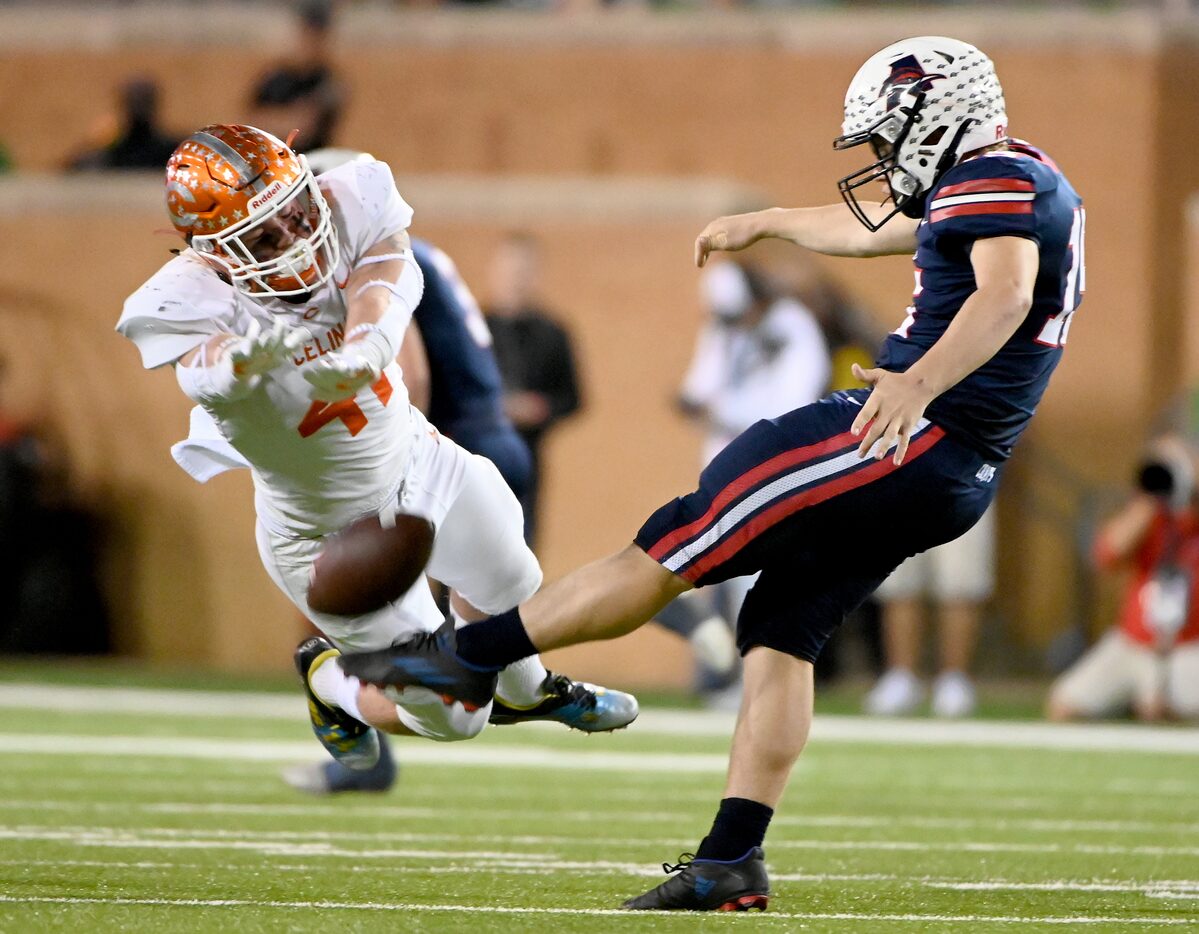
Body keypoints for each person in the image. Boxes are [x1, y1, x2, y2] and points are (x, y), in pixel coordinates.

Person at [339, 36, 1086, 912]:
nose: (883, 158)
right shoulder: (1019, 178)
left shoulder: (988, 174)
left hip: (902, 433)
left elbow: (1002, 290)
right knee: (781, 632)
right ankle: (731, 861)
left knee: (674, 541)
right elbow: (880, 229)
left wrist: (918, 383)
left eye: (890, 136)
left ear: (937, 116)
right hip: (953, 469)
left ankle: (460, 659)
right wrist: (766, 222)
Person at [116, 125, 637, 782]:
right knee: (456, 717)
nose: (294, 237)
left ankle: (527, 691)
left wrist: (366, 343)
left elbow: (388, 273)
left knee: (512, 575)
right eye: (265, 235)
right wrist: (238, 362)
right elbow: (202, 371)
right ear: (215, 256)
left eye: (295, 212)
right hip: (326, 532)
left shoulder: (352, 195)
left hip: (415, 459)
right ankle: (328, 681)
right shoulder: (187, 301)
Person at [279, 144, 537, 795]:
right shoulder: (416, 252)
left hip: (441, 455)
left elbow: (411, 374)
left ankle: (360, 745)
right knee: (479, 640)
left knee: (338, 595)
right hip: (495, 445)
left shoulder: (376, 262)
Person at [654, 259, 830, 705]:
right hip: (724, 470)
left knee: (759, 581)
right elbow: (701, 388)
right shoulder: (723, 329)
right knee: (721, 579)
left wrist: (724, 415)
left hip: (775, 471)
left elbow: (793, 407)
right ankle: (728, 679)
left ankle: (761, 682)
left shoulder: (792, 326)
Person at [1047, 436, 1199, 722]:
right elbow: (1106, 554)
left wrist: (1190, 484)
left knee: (1162, 707)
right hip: (1131, 642)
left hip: (1187, 646)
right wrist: (1150, 500)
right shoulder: (1146, 514)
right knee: (1064, 704)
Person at [483, 232, 583, 545]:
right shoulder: (471, 328)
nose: (516, 280)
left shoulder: (553, 333)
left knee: (520, 548)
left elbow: (573, 398)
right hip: (475, 460)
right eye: (510, 271)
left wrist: (541, 409)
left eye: (524, 272)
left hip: (526, 460)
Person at [863, 505, 995, 717]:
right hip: (902, 479)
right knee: (898, 576)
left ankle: (954, 679)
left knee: (959, 580)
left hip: (964, 480)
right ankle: (901, 677)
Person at [247, 0, 344, 153]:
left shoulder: (328, 84)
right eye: (306, 33)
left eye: (316, 35)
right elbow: (250, 124)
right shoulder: (275, 78)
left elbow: (301, 130)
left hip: (308, 166)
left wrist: (271, 120)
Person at [66, 77, 180, 171]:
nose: (139, 106)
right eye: (135, 101)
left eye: (143, 101)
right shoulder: (105, 156)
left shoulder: (174, 153)